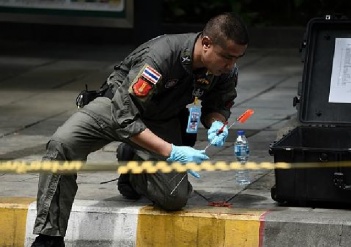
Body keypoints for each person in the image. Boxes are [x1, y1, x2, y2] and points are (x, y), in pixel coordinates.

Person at [30, 12, 249, 246]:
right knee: (62, 144)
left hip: (159, 118)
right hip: (115, 107)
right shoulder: (162, 55)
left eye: (237, 58)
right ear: (206, 43)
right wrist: (171, 151)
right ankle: (49, 236)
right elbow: (124, 116)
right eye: (226, 57)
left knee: (174, 197)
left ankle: (133, 168)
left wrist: (216, 122)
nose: (231, 65)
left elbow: (217, 104)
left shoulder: (224, 71)